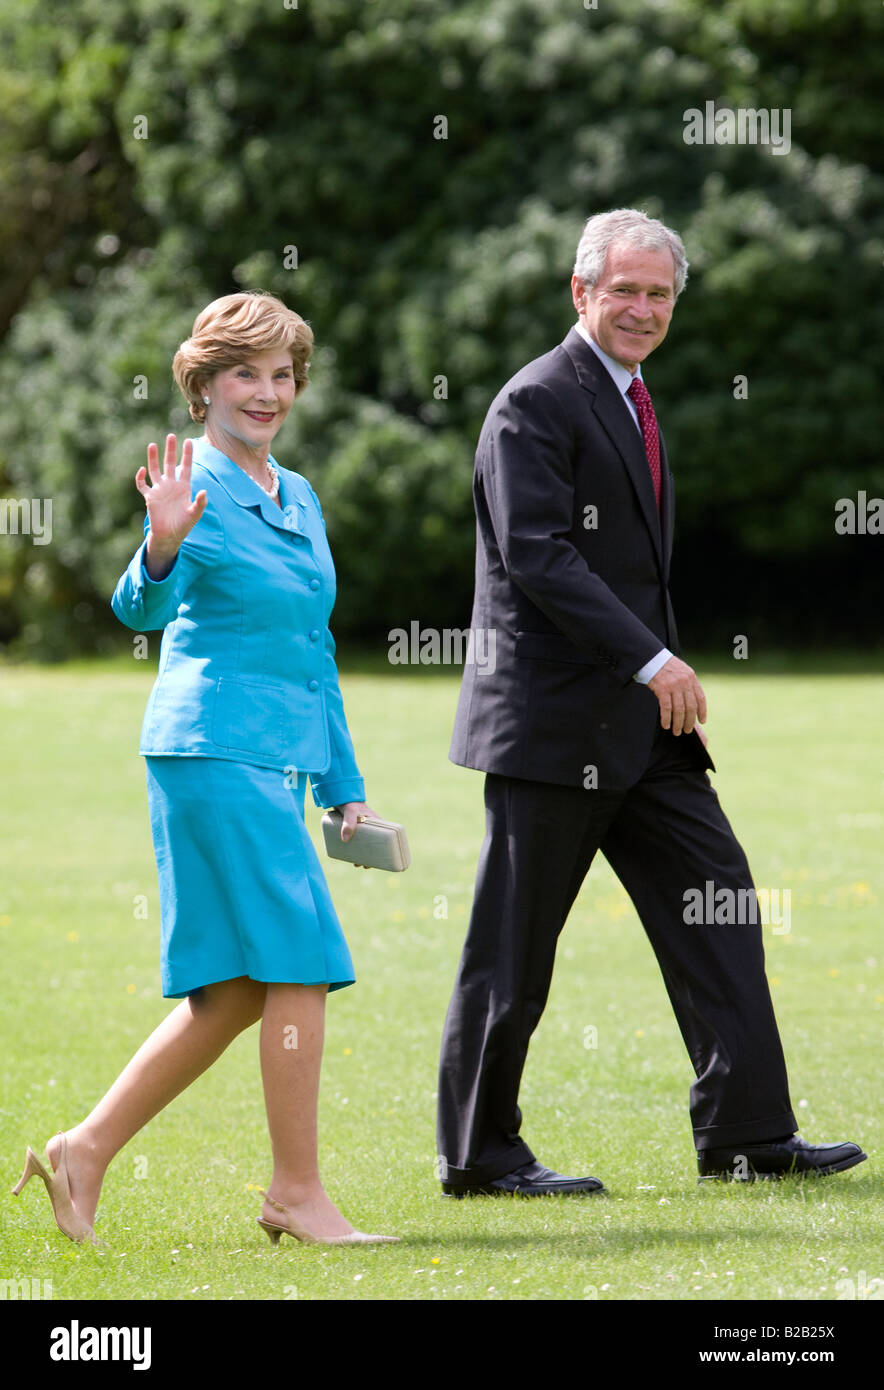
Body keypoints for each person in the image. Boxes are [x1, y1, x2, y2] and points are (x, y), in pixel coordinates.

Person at [436, 208, 866, 1197]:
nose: (639, 308)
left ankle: (748, 1134)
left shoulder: (630, 396)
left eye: (657, 293)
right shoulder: (532, 402)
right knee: (512, 953)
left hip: (641, 733)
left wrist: (645, 675)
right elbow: (538, 554)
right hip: (551, 726)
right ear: (579, 292)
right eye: (621, 289)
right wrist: (653, 660)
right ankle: (477, 1154)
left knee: (718, 906)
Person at [12, 291, 398, 1247]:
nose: (267, 393)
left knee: (233, 991)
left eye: (281, 376)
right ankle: (297, 1196)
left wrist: (343, 785)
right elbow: (137, 609)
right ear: (202, 386)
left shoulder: (297, 492)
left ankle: (82, 1151)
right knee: (302, 960)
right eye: (245, 374)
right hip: (212, 750)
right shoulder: (189, 482)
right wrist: (162, 543)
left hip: (272, 758)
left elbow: (314, 649)